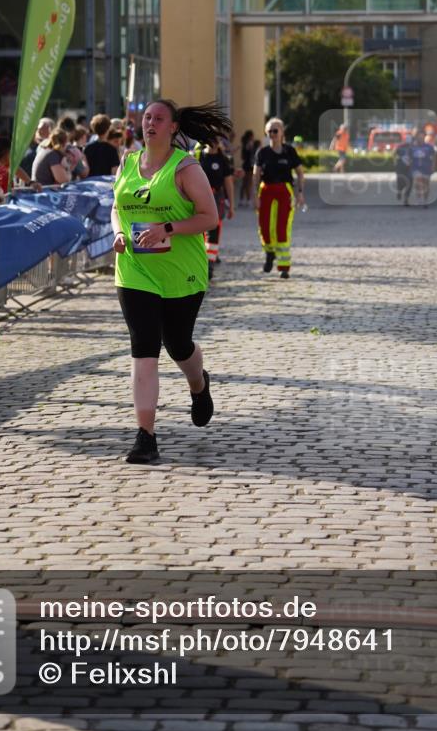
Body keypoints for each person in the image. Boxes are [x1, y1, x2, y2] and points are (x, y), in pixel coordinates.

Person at [111, 99, 231, 465]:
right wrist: (118, 233)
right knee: (144, 347)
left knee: (178, 344)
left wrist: (168, 228)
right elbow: (116, 206)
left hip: (182, 271)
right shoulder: (128, 162)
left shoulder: (186, 168)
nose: (150, 123)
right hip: (134, 270)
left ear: (173, 127)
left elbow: (209, 217)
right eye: (146, 117)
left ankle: (199, 384)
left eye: (158, 119)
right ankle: (145, 436)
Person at [253, 117, 305, 278]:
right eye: (269, 131)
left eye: (275, 130)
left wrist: (300, 192)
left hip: (284, 191)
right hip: (266, 190)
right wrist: (255, 195)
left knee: (282, 228)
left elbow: (300, 173)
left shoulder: (289, 151)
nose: (272, 134)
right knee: (265, 227)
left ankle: (284, 266)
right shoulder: (262, 153)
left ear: (282, 132)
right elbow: (256, 175)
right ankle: (269, 253)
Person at [198, 138, 235, 279]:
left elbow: (229, 184)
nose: (213, 141)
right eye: (209, 136)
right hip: (198, 198)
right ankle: (200, 262)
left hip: (216, 198)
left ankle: (209, 264)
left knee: (213, 231)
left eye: (215, 138)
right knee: (199, 233)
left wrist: (231, 205)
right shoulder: (197, 156)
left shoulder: (223, 160)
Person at [239, 129, 257, 207]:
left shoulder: (244, 144)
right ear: (250, 136)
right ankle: (248, 200)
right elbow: (252, 155)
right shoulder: (250, 144)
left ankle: (242, 200)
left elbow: (243, 156)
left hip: (245, 164)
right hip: (249, 165)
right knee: (248, 183)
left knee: (244, 183)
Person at [394, 136, 413, 205]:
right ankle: (399, 191)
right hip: (400, 167)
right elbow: (394, 154)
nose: (408, 143)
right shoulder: (400, 147)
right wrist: (395, 162)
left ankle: (406, 199)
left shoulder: (413, 147)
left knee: (410, 183)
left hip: (410, 168)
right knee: (400, 182)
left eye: (410, 141)